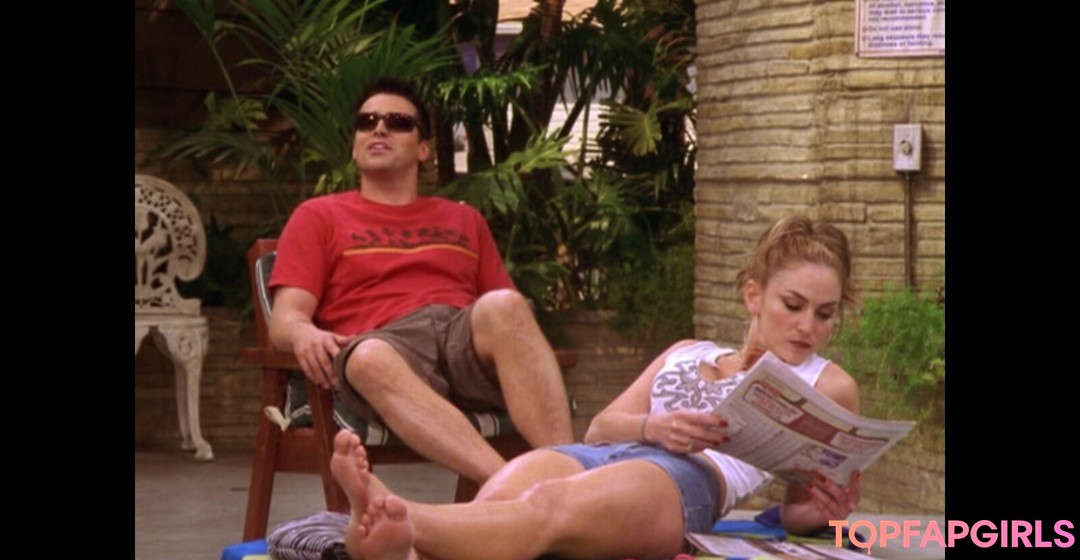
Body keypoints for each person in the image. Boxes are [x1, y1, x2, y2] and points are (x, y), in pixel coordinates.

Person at [330, 215, 864, 560]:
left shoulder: (827, 384)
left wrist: (829, 512)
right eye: (793, 305)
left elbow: (795, 513)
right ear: (753, 296)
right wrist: (655, 426)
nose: (807, 327)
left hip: (688, 478)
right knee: (501, 497)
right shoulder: (687, 350)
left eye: (824, 314)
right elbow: (600, 428)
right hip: (603, 453)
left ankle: (398, 514)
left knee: (546, 504)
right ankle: (394, 546)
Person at [268, 78, 574, 485]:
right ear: (355, 144)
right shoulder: (318, 216)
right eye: (367, 122)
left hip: (460, 340)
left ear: (423, 149)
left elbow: (507, 316)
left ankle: (571, 476)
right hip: (385, 346)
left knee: (508, 305)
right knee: (368, 357)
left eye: (397, 122)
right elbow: (284, 319)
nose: (379, 129)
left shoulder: (464, 219)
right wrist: (304, 334)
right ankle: (511, 485)